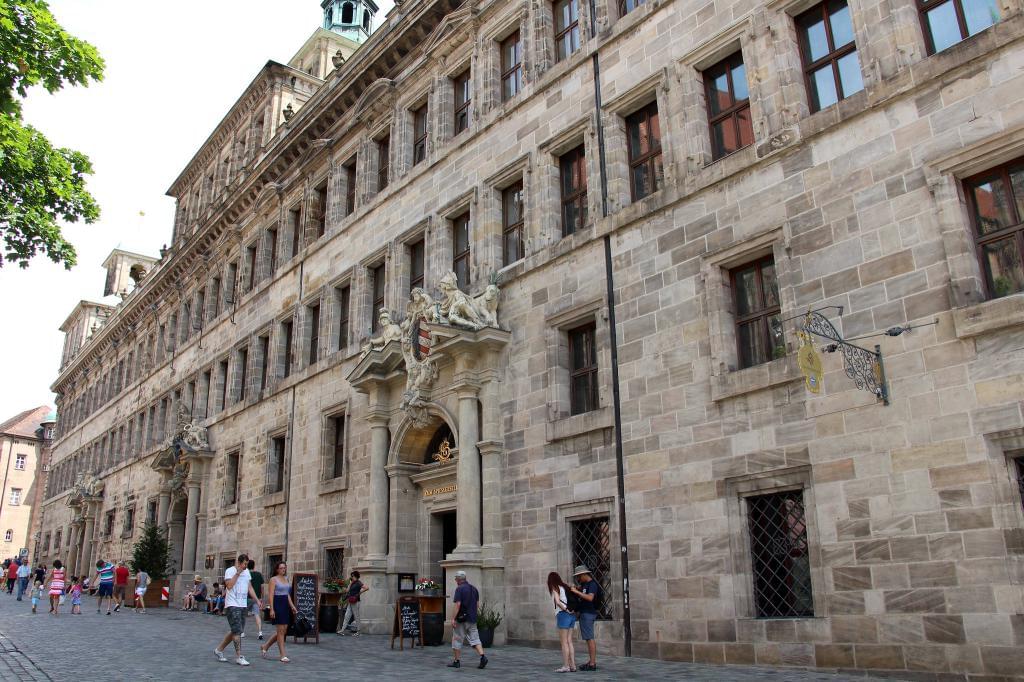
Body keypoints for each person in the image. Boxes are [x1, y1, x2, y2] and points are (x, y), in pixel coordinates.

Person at [214, 553, 261, 666]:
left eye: (247, 564)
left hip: (242, 604)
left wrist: (257, 600)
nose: (246, 566)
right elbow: (229, 586)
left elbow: (250, 587)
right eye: (244, 564)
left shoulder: (247, 572)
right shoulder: (230, 571)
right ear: (239, 563)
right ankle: (239, 656)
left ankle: (219, 650)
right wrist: (237, 573)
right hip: (232, 604)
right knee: (237, 631)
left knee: (237, 630)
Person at [447, 570, 487, 670]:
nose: (455, 580)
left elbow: (458, 604)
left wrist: (453, 618)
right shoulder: (474, 589)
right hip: (472, 619)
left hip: (461, 619)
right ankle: (483, 656)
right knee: (475, 639)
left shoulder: (459, 589)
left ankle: (456, 661)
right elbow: (477, 605)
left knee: (457, 638)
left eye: (456, 578)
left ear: (458, 579)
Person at [259, 561, 297, 663]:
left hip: (285, 603)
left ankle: (265, 646)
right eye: (281, 568)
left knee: (283, 630)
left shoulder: (286, 579)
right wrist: (272, 608)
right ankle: (283, 655)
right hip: (278, 603)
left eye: (284, 568)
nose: (283, 570)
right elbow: (271, 594)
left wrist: (292, 606)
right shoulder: (273, 579)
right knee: (280, 631)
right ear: (277, 569)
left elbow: (287, 594)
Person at [569, 565, 601, 671]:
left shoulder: (592, 584)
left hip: (588, 613)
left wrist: (576, 592)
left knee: (589, 638)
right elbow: (581, 593)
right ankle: (591, 661)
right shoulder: (585, 585)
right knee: (588, 638)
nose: (578, 579)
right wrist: (576, 589)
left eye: (579, 576)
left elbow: (590, 597)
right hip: (584, 613)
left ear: (584, 574)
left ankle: (592, 663)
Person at [548, 572, 577, 673]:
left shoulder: (555, 587)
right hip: (572, 616)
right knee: (569, 641)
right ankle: (573, 665)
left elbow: (558, 601)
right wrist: (569, 610)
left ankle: (566, 666)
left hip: (563, 615)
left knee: (564, 642)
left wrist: (565, 610)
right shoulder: (564, 587)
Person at [339, 570, 368, 635]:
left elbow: (366, 588)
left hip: (356, 601)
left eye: (352, 576)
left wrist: (360, 592)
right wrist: (349, 584)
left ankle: (359, 631)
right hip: (350, 601)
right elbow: (347, 591)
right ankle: (342, 630)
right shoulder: (352, 583)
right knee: (347, 615)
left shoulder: (359, 583)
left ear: (355, 576)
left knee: (356, 616)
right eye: (351, 576)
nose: (351, 577)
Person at [247, 559, 265, 640]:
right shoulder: (259, 574)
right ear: (254, 565)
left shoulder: (246, 574)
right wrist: (261, 598)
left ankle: (242, 632)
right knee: (257, 615)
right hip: (257, 598)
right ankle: (260, 632)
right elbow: (262, 587)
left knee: (243, 615)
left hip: (247, 598)